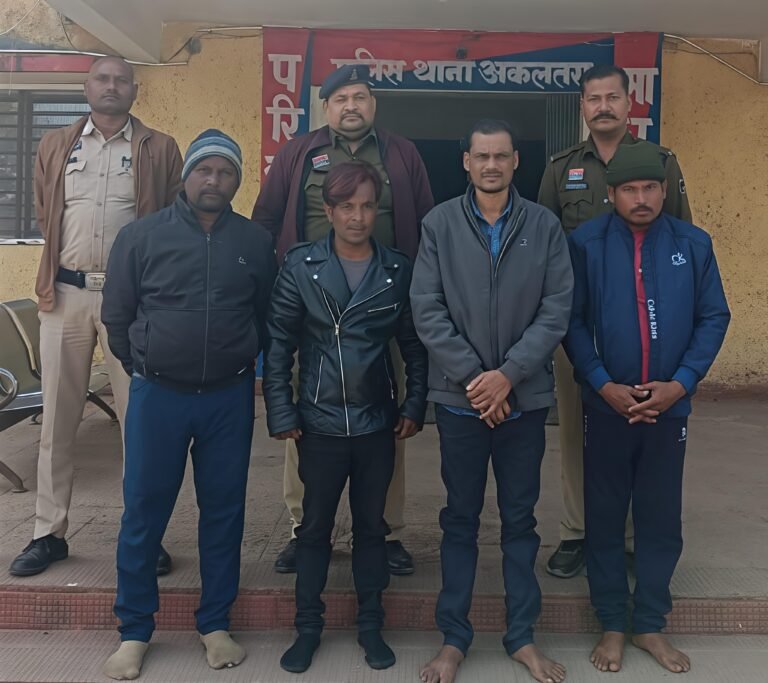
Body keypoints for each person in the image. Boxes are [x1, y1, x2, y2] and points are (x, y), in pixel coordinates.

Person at [100, 130, 277, 680]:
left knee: (224, 512)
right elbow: (117, 316)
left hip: (228, 397)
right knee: (143, 511)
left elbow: (266, 315)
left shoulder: (254, 241)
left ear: (237, 181)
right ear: (187, 176)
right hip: (159, 396)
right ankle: (134, 631)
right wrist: (146, 362)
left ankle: (215, 624)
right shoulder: (140, 236)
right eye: (205, 170)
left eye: (226, 172)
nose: (214, 181)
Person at [253, 63, 433, 576]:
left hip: (384, 304)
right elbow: (266, 219)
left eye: (360, 96)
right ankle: (305, 527)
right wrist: (275, 289)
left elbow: (426, 222)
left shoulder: (402, 153)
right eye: (340, 98)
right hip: (312, 308)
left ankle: (384, 530)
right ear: (326, 107)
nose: (351, 106)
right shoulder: (297, 153)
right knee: (304, 416)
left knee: (389, 415)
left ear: (373, 104)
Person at [411, 120, 573, 683]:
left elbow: (557, 307)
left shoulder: (544, 226)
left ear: (515, 161)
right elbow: (426, 307)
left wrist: (508, 375)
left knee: (520, 520)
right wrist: (477, 379)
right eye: (481, 156)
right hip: (461, 403)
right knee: (460, 519)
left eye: (501, 156)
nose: (491, 165)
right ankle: (453, 640)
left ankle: (521, 637)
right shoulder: (439, 224)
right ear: (466, 161)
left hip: (523, 400)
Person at [10, 56, 182, 578]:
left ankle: (143, 534)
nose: (111, 87)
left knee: (140, 422)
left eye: (120, 80)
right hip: (65, 295)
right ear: (86, 88)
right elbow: (47, 212)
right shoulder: (56, 144)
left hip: (131, 303)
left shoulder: (159, 148)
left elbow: (170, 220)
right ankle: (48, 533)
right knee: (57, 420)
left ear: (135, 89)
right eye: (102, 79)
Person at [565, 141, 729, 675]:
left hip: (668, 409)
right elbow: (571, 321)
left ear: (664, 191)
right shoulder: (586, 244)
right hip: (606, 406)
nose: (642, 198)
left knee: (660, 517)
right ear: (611, 194)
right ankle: (613, 622)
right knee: (605, 516)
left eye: (651, 188)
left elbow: (714, 317)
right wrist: (601, 383)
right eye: (630, 189)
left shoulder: (693, 244)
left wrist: (680, 384)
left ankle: (650, 623)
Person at [263, 161, 428, 674]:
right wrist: (281, 409)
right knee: (313, 531)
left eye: (367, 206)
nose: (358, 217)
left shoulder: (397, 269)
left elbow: (414, 346)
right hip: (318, 424)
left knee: (372, 529)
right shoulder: (301, 265)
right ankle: (307, 629)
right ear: (328, 210)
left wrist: (415, 404)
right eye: (347, 206)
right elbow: (278, 344)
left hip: (377, 422)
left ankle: (371, 626)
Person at [537, 63, 693, 579]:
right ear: (582, 107)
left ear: (630, 103)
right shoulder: (561, 169)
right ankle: (577, 532)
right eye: (593, 98)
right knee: (578, 432)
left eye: (612, 97)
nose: (603, 106)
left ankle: (628, 536)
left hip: (650, 327)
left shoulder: (660, 163)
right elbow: (544, 248)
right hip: (579, 328)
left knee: (645, 426)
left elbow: (682, 241)